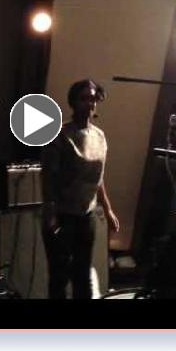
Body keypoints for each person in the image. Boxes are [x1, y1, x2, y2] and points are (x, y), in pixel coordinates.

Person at [41, 79, 120, 299]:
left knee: (83, 274)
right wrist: (50, 213)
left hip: (86, 215)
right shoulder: (60, 134)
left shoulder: (99, 136)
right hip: (62, 215)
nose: (90, 103)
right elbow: (48, 177)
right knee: (59, 277)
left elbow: (98, 179)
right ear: (73, 101)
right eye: (84, 98)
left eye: (93, 98)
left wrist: (108, 210)